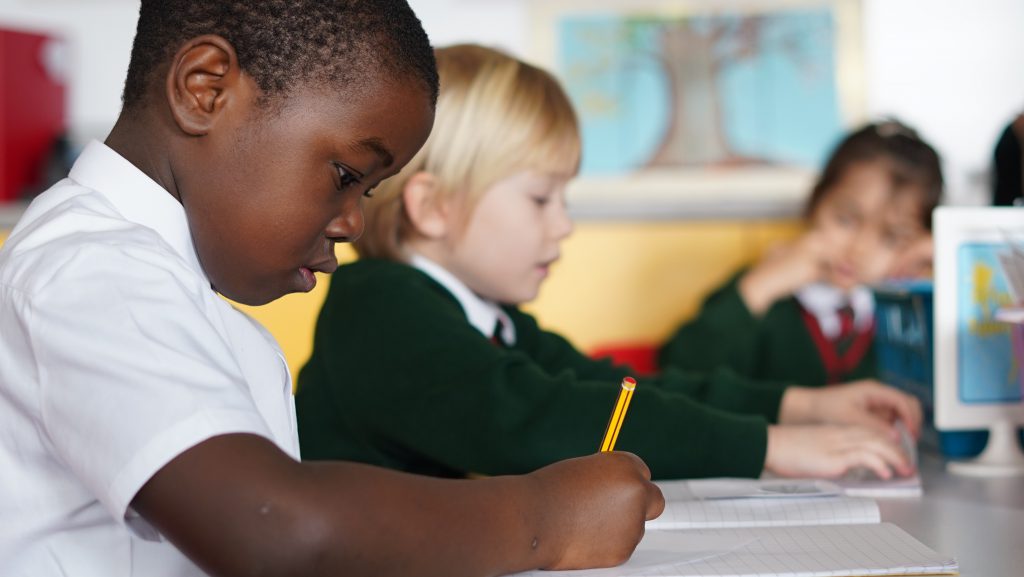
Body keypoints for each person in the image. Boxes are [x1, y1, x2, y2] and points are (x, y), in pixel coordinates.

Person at [0, 4, 665, 576]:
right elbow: (272, 528)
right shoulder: (90, 271)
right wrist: (545, 517)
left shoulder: (148, 274)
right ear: (204, 89)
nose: (352, 223)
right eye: (346, 174)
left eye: (368, 191)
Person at [295, 44, 921, 485]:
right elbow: (538, 422)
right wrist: (768, 447)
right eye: (541, 198)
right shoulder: (380, 308)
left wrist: (799, 408)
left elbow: (617, 393)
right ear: (433, 207)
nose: (564, 224)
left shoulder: (493, 321)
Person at [659, 120, 943, 387]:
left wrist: (944, 266)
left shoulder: (911, 315)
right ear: (814, 203)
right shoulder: (765, 293)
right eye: (845, 220)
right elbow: (678, 371)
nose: (859, 249)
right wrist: (762, 285)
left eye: (891, 238)